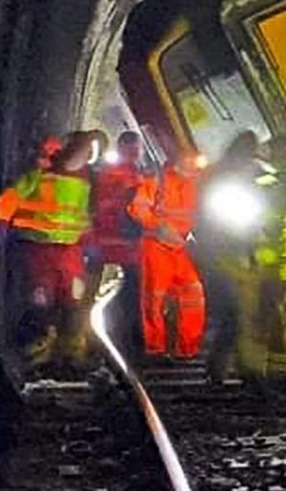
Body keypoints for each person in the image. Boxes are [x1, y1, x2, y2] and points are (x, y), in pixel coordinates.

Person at [0, 133, 94, 370]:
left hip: (68, 248)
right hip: (39, 246)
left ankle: (68, 351)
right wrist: (2, 225)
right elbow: (11, 198)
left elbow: (81, 214)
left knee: (73, 296)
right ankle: (38, 351)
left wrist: (89, 239)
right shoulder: (42, 176)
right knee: (41, 297)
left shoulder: (83, 182)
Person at [235, 135, 286, 379]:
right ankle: (280, 371)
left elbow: (242, 227)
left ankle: (254, 367)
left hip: (261, 262)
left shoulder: (257, 186)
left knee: (259, 313)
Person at [128, 149, 204, 363]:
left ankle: (186, 347)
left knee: (192, 294)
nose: (192, 169)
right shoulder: (157, 180)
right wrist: (157, 226)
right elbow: (137, 208)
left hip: (180, 246)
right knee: (154, 297)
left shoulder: (194, 185)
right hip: (155, 244)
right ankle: (155, 348)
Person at [198, 131, 262, 383]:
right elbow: (205, 217)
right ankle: (222, 368)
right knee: (234, 311)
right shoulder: (220, 177)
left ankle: (240, 366)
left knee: (244, 311)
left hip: (242, 251)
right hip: (222, 252)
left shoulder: (253, 175)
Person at [90, 131, 146, 355]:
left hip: (103, 239)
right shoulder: (134, 176)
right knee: (133, 289)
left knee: (93, 290)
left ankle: (89, 335)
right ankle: (128, 335)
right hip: (125, 242)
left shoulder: (105, 173)